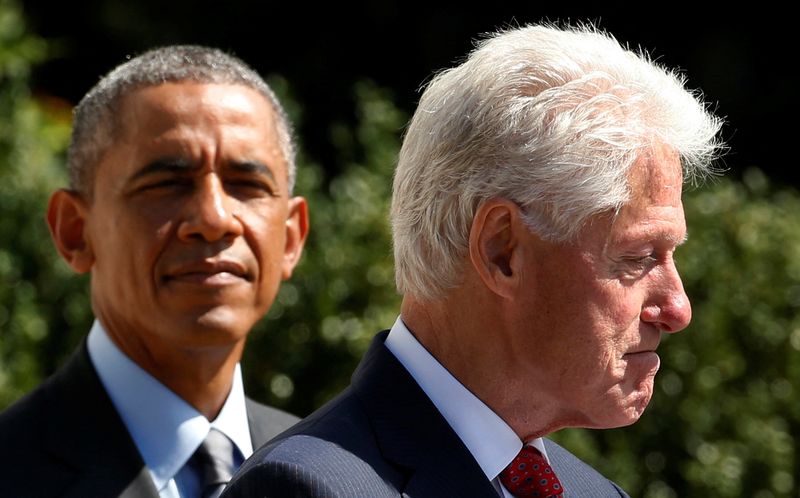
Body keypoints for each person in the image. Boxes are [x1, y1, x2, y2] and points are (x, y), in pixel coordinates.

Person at [223, 23, 724, 498]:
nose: (678, 308)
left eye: (670, 255)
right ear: (501, 250)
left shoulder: (594, 492)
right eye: (637, 257)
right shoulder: (307, 487)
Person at [0, 45, 309, 498]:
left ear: (292, 238)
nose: (213, 218)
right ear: (74, 232)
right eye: (167, 184)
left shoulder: (337, 470)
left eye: (247, 185)